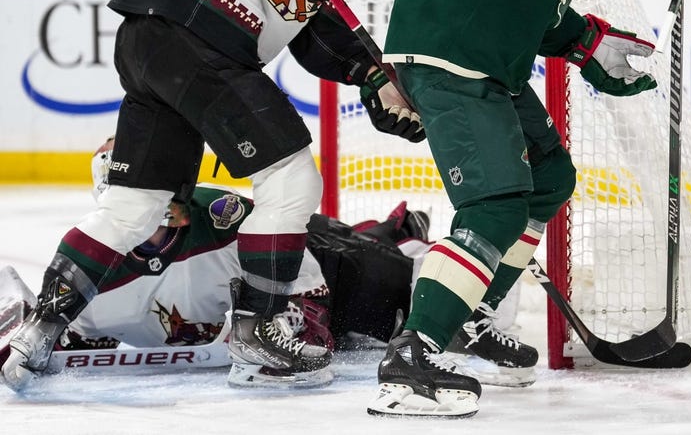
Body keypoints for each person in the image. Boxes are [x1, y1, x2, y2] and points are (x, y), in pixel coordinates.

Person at [1, 0, 426, 393]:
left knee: (132, 205)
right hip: (202, 36)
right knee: (291, 179)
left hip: (149, 39)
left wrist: (373, 76)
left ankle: (39, 333)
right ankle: (258, 337)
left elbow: (316, 25)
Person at [369, 0, 691, 418]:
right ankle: (412, 356)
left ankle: (473, 312)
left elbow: (535, 4)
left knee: (549, 178)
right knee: (494, 205)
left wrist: (590, 46)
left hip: (479, 57)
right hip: (451, 54)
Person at [0, 139, 434, 380]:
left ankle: (398, 232)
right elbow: (73, 343)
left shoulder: (222, 218)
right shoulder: (89, 269)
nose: (162, 204)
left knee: (407, 295)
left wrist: (302, 317)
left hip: (324, 263)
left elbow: (304, 273)